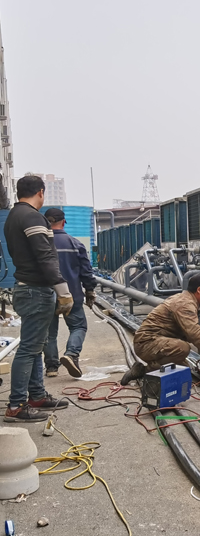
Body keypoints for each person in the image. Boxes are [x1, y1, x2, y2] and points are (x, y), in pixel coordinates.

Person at [3, 176, 72, 422]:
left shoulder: (14, 216)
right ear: (41, 192)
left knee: (34, 347)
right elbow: (45, 256)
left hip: (27, 288)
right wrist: (63, 290)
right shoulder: (32, 217)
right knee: (29, 349)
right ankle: (16, 406)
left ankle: (37, 396)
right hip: (36, 290)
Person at [120, 272, 200, 385]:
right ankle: (143, 371)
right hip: (146, 343)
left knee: (184, 370)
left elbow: (188, 333)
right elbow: (193, 333)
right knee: (182, 348)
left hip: (155, 341)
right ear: (199, 290)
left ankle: (154, 368)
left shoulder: (184, 299)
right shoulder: (185, 304)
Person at [43, 208, 97, 378]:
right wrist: (89, 290)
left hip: (46, 295)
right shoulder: (75, 244)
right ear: (64, 222)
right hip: (72, 295)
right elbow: (86, 272)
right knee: (78, 326)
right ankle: (72, 354)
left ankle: (51, 367)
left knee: (49, 332)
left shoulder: (41, 244)